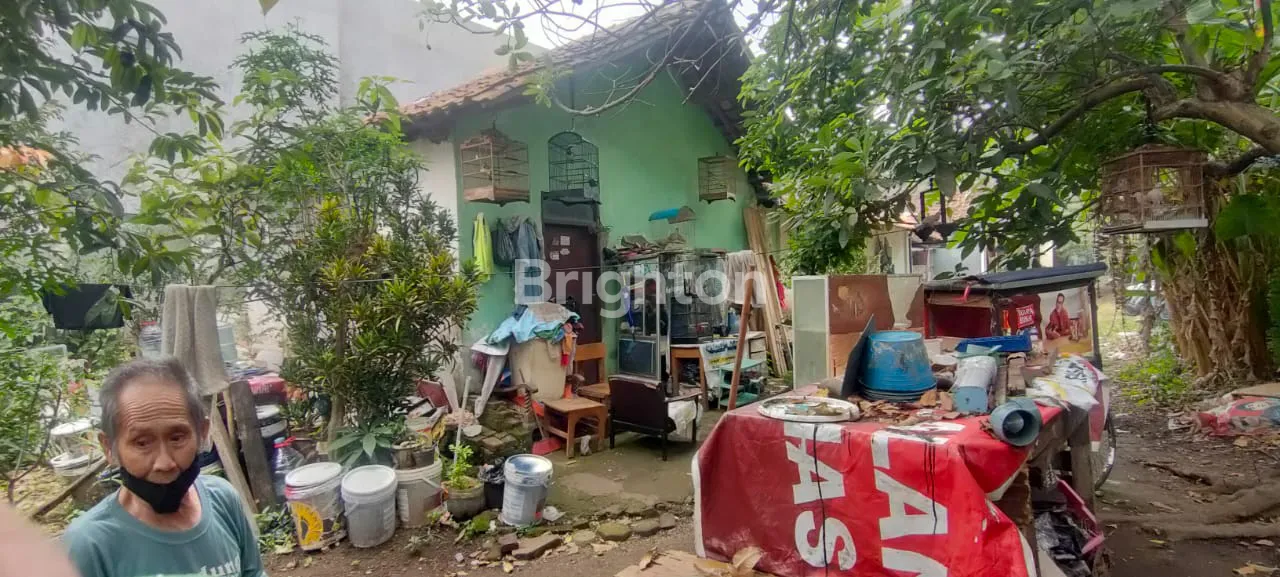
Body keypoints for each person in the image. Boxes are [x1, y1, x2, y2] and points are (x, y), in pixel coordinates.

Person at [62, 358, 265, 577]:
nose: (165, 463)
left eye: (177, 438)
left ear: (202, 433)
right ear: (109, 447)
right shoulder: (89, 544)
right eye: (142, 443)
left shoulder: (223, 501)